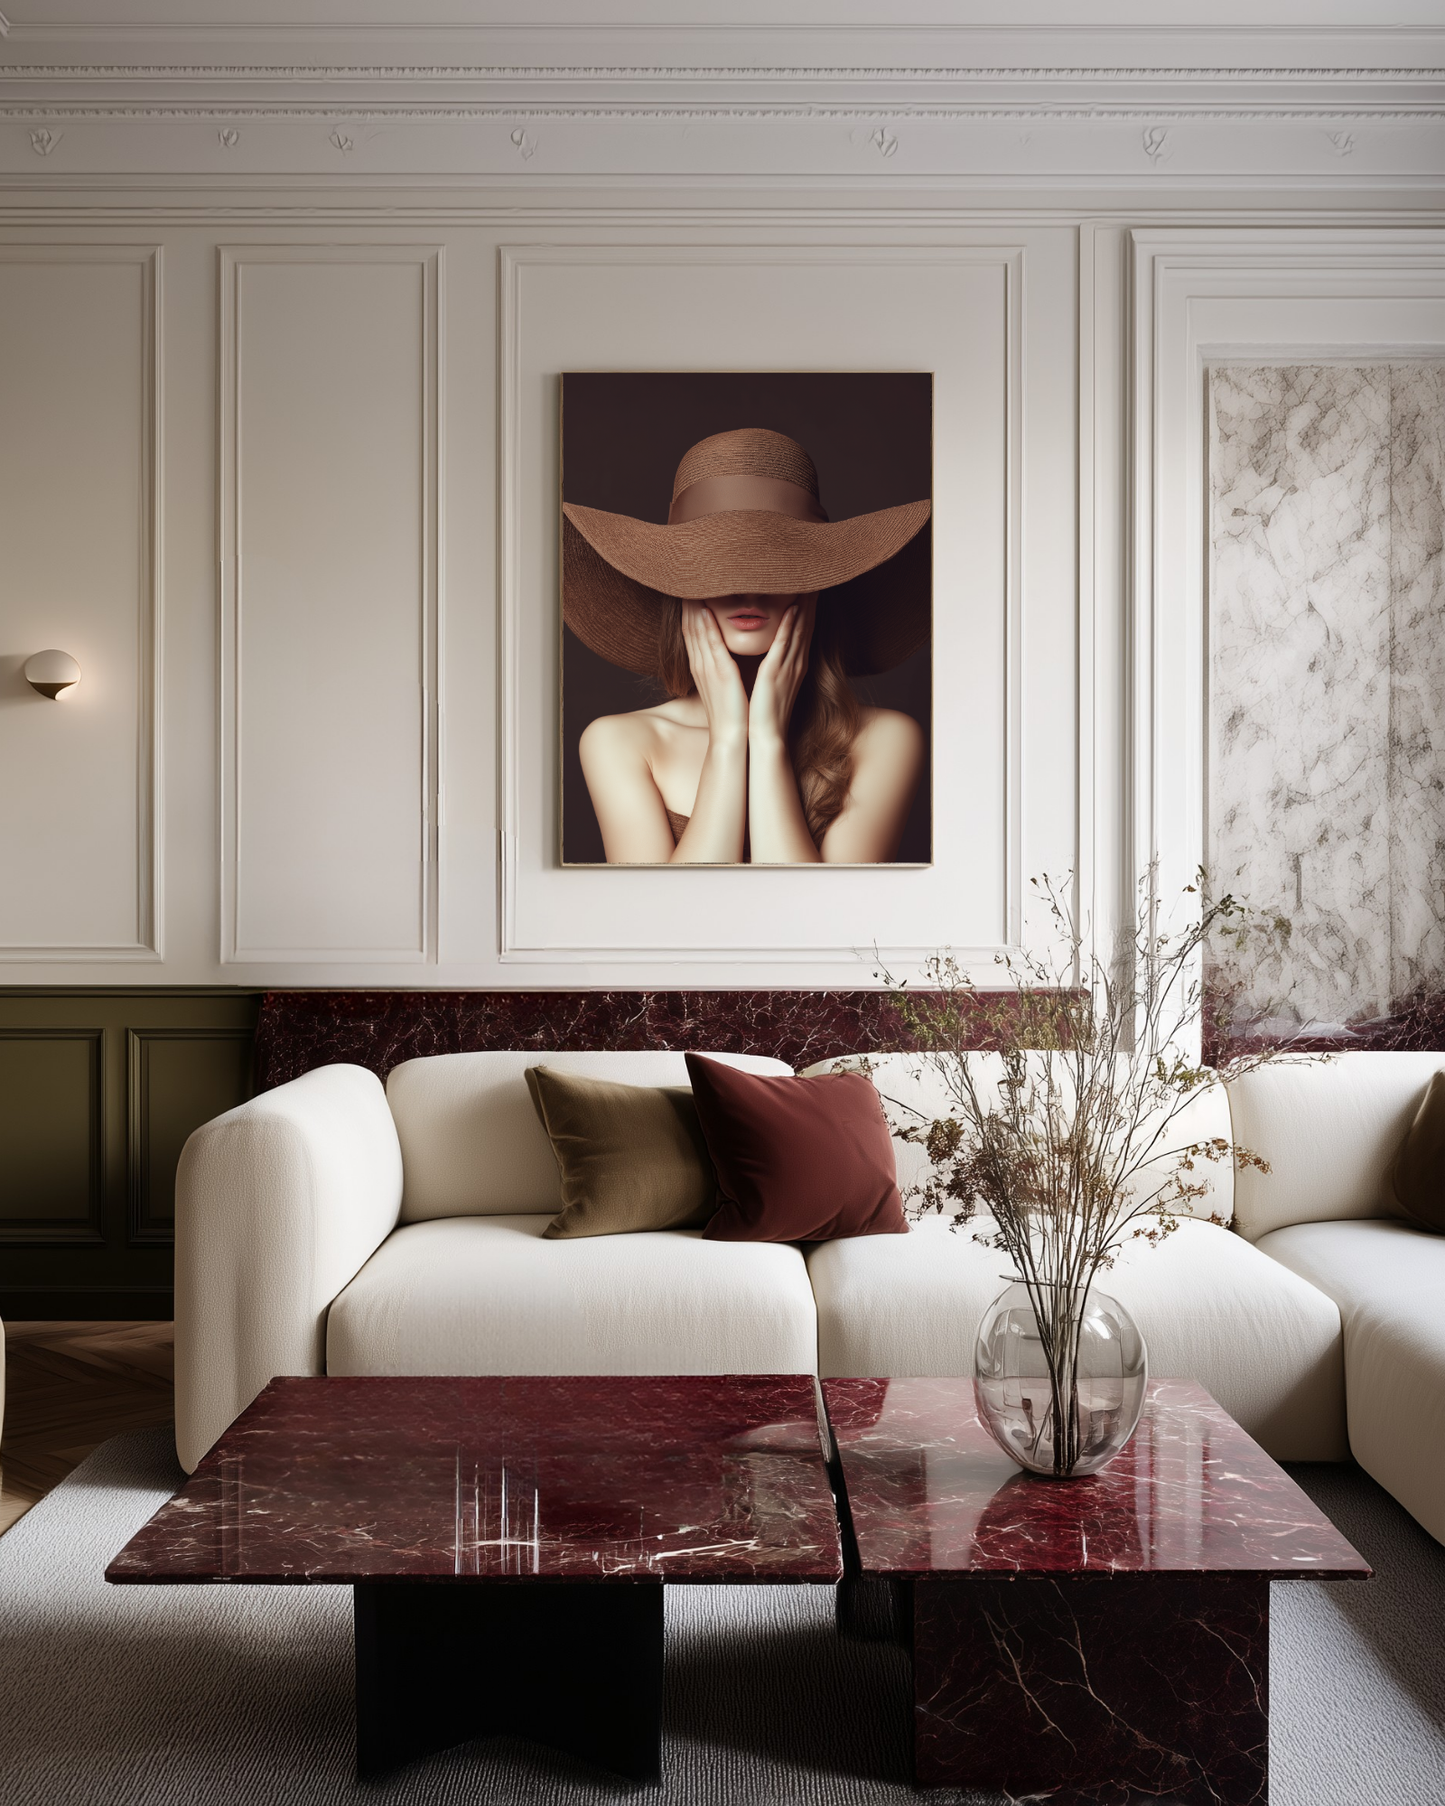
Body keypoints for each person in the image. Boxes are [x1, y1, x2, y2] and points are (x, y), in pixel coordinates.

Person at [563, 426, 931, 864]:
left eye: (776, 565)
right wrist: (728, 740)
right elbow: (669, 908)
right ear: (679, 587)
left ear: (817, 586)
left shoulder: (885, 739)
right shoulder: (619, 742)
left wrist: (769, 741)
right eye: (719, 566)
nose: (748, 590)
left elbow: (818, 908)